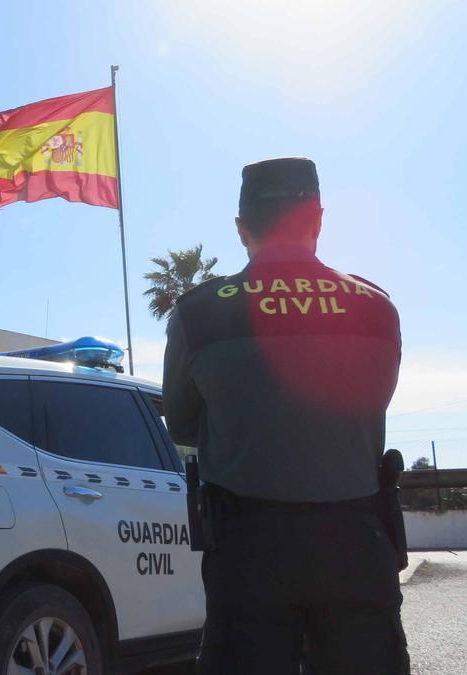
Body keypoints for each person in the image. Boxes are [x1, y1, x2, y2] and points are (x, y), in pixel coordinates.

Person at [163, 157, 409, 674]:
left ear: (241, 228)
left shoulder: (198, 312)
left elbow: (183, 425)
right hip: (358, 545)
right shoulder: (377, 309)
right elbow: (372, 408)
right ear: (318, 219)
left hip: (249, 551)